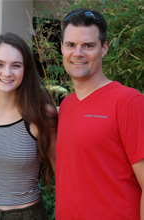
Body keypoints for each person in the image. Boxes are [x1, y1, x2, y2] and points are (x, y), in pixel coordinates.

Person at [56, 8, 144, 219]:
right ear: (61, 48)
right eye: (71, 45)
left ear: (104, 48)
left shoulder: (129, 102)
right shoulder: (66, 106)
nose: (78, 53)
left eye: (88, 45)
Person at [0, 32, 57, 220]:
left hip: (27, 215)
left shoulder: (42, 115)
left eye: (16, 66)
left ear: (26, 70)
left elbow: (61, 171)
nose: (7, 73)